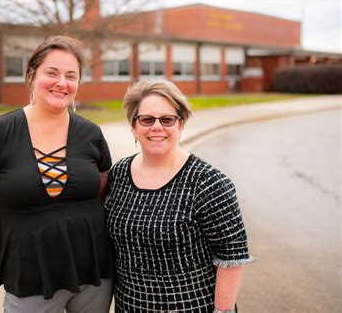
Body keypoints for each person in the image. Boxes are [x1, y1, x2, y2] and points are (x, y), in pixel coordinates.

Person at [0, 35, 114, 313]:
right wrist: (11, 256)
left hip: (94, 275)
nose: (61, 83)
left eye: (71, 75)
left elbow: (101, 200)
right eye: (51, 73)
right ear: (32, 75)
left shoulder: (91, 134)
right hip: (30, 279)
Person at [104, 78, 255, 312]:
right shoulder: (119, 174)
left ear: (180, 125)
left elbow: (231, 258)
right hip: (129, 306)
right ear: (133, 127)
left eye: (167, 119)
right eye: (146, 119)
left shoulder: (209, 182)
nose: (157, 127)